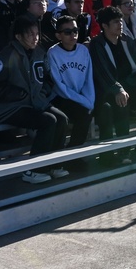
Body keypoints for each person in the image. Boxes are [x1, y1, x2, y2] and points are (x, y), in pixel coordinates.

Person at [0, 14, 69, 184]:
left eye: (36, 33)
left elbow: (48, 78)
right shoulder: (5, 56)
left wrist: (43, 92)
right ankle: (34, 169)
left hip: (36, 102)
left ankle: (53, 165)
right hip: (13, 108)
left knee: (62, 119)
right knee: (48, 121)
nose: (35, 37)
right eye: (30, 34)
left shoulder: (39, 53)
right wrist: (19, 94)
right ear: (18, 36)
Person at [89, 6, 136, 146]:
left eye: (121, 21)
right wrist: (117, 89)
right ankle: (124, 151)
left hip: (130, 85)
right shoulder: (97, 44)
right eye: (116, 22)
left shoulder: (127, 41)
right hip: (107, 89)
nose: (120, 25)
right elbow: (102, 71)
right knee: (121, 102)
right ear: (105, 26)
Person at [45, 15, 97, 160]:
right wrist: (82, 101)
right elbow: (59, 85)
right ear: (58, 35)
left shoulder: (83, 51)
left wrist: (89, 100)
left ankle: (74, 153)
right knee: (78, 115)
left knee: (87, 113)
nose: (72, 35)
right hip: (60, 97)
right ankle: (66, 156)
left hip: (80, 95)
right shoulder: (53, 53)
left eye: (75, 30)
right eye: (67, 32)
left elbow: (88, 79)